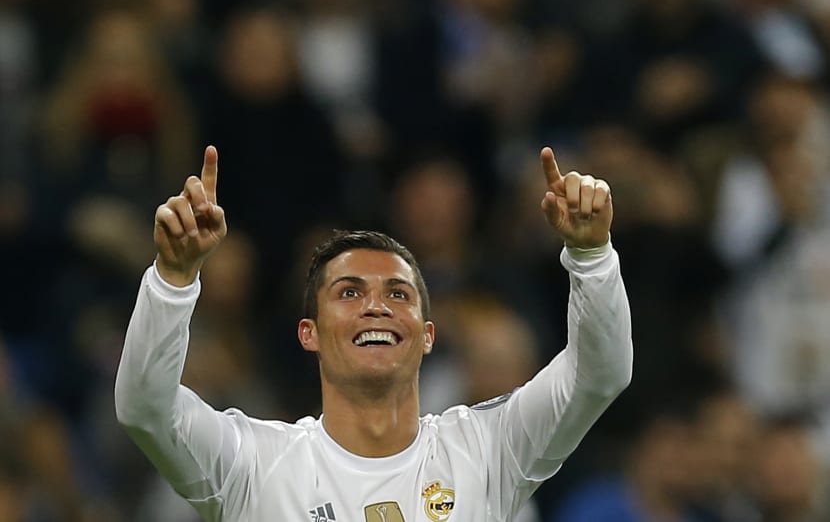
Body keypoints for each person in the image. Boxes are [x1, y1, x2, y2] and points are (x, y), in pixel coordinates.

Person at [114, 145, 633, 522]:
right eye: (349, 292)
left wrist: (591, 257)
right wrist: (173, 279)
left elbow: (599, 374)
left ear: (428, 335)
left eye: (399, 294)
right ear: (308, 334)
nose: (377, 307)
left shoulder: (486, 451)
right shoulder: (254, 463)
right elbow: (145, 407)